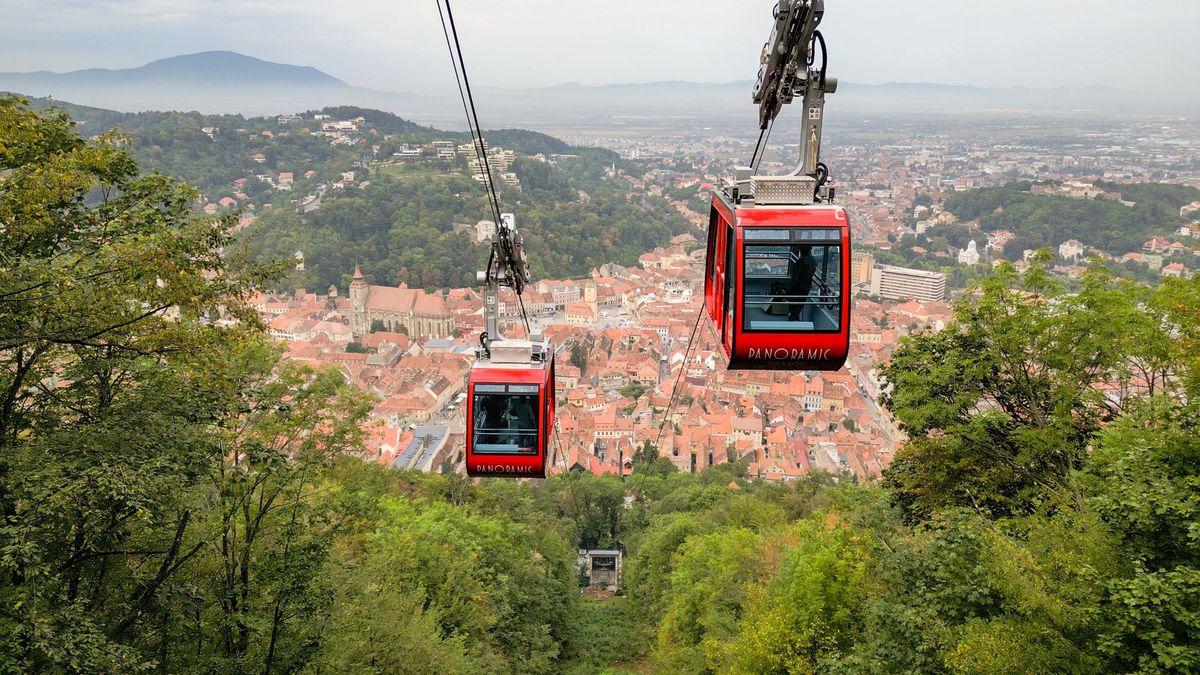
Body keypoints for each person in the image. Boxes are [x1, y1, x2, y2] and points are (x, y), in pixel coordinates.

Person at [788, 245, 818, 322]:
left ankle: (792, 321)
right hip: (806, 287)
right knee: (800, 305)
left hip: (797, 287)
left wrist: (791, 286)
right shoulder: (813, 261)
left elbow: (795, 276)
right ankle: (796, 321)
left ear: (802, 251)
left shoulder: (801, 261)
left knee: (793, 307)